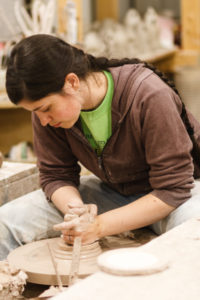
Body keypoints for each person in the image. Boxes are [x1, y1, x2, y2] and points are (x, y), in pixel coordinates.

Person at [2, 34, 200, 260]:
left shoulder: (148, 94)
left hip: (177, 197)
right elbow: (55, 174)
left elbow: (173, 188)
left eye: (45, 108)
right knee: (6, 223)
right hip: (115, 191)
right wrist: (76, 211)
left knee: (196, 234)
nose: (43, 120)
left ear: (72, 82)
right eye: (35, 112)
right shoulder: (48, 115)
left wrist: (99, 226)